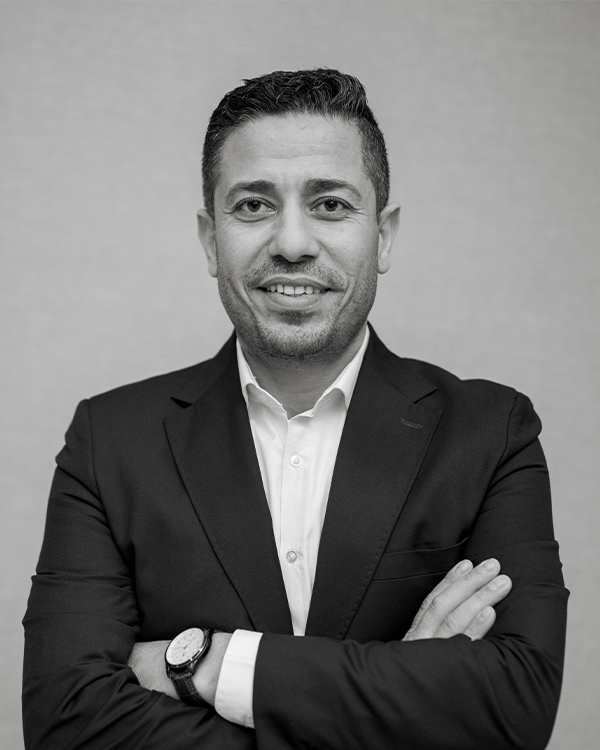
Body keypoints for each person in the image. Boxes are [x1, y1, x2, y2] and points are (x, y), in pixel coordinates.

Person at [22, 69, 568, 750]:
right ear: (211, 240)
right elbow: (66, 722)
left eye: (330, 204)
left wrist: (211, 663)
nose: (291, 242)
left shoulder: (490, 433)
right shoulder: (110, 442)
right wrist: (402, 690)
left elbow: (517, 707)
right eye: (253, 205)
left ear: (383, 236)